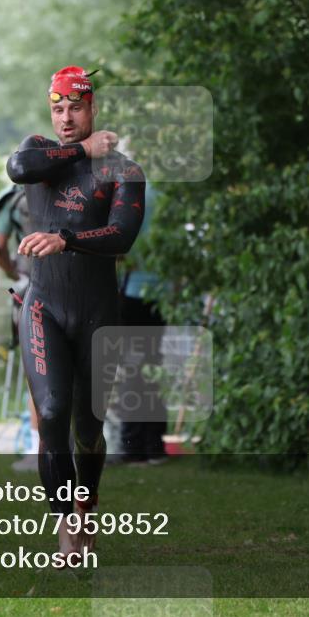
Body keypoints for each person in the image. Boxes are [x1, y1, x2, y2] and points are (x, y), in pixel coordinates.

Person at [5, 65, 146, 566]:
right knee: (50, 414)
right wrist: (82, 151)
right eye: (58, 108)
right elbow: (17, 167)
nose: (66, 118)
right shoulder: (42, 155)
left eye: (76, 108)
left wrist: (66, 239)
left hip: (98, 315)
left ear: (93, 108)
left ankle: (87, 501)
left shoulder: (124, 171)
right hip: (43, 306)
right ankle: (66, 525)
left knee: (88, 429)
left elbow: (121, 236)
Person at [0, 185, 43, 472]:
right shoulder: (71, 188)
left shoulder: (12, 198)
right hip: (73, 287)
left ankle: (35, 448)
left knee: (37, 373)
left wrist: (12, 271)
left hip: (28, 286)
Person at [116, 179, 169, 465]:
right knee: (153, 368)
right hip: (161, 293)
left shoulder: (127, 196)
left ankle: (132, 445)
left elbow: (118, 246)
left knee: (133, 370)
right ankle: (154, 444)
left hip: (132, 291)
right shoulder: (168, 198)